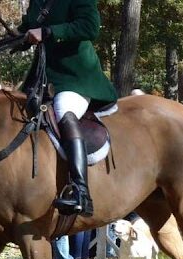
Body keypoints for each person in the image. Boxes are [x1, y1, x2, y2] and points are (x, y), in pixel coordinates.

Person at [19, 0, 118, 217]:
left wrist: (48, 31)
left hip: (75, 78)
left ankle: (81, 192)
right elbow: (29, 25)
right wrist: (19, 37)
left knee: (64, 109)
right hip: (42, 78)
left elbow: (89, 27)